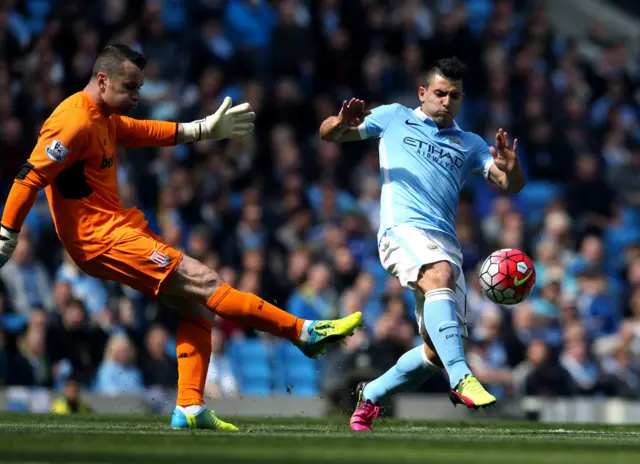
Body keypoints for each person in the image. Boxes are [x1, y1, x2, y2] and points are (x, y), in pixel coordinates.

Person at [0, 44, 362, 431]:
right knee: (205, 280)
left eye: (140, 87)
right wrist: (7, 235)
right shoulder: (72, 121)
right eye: (129, 87)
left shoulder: (102, 115)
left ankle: (189, 406)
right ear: (102, 80)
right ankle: (302, 332)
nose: (137, 96)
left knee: (197, 306)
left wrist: (202, 129)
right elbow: (28, 178)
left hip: (118, 229)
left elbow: (139, 132)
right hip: (101, 238)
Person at [319, 57, 525, 431]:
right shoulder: (394, 116)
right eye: (440, 93)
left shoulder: (470, 144)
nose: (447, 101)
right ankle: (463, 378)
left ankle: (372, 396)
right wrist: (340, 123)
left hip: (444, 241)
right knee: (438, 274)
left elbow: (510, 185)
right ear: (422, 93)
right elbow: (328, 134)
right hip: (401, 230)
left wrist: (512, 169)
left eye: (455, 96)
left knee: (435, 352)